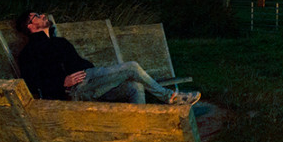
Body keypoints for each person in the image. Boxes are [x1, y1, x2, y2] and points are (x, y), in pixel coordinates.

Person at [14, 12, 200, 106]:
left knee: (135, 87)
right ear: (29, 26)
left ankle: (142, 130)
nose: (43, 15)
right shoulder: (29, 52)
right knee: (132, 67)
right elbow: (32, 84)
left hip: (91, 83)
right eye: (37, 16)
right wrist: (62, 82)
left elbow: (81, 65)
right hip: (74, 91)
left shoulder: (59, 42)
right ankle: (170, 97)